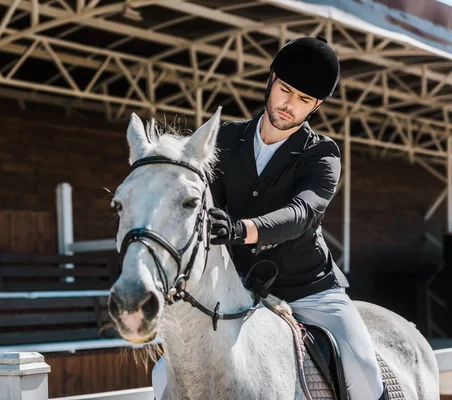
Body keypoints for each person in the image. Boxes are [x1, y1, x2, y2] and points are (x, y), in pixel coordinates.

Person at [151, 37, 387, 400]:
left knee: (366, 375)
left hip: (309, 289)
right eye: (285, 90)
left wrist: (239, 229)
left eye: (304, 100)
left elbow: (301, 214)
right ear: (271, 80)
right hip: (239, 290)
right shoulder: (227, 138)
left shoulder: (322, 154)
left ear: (317, 105)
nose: (289, 104)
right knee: (161, 375)